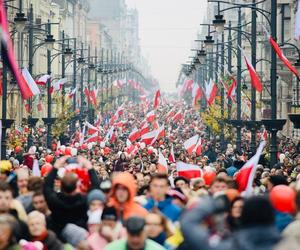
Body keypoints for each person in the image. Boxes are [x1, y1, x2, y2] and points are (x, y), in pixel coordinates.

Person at [181, 195, 281, 250]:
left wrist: (211, 202)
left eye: (241, 208)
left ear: (245, 215)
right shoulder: (288, 244)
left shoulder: (231, 245)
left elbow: (188, 223)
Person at [43, 156, 100, 236]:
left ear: (61, 186)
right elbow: (96, 188)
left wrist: (56, 167)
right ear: (77, 186)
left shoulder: (54, 201)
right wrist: (89, 167)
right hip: (81, 239)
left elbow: (47, 187)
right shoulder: (84, 201)